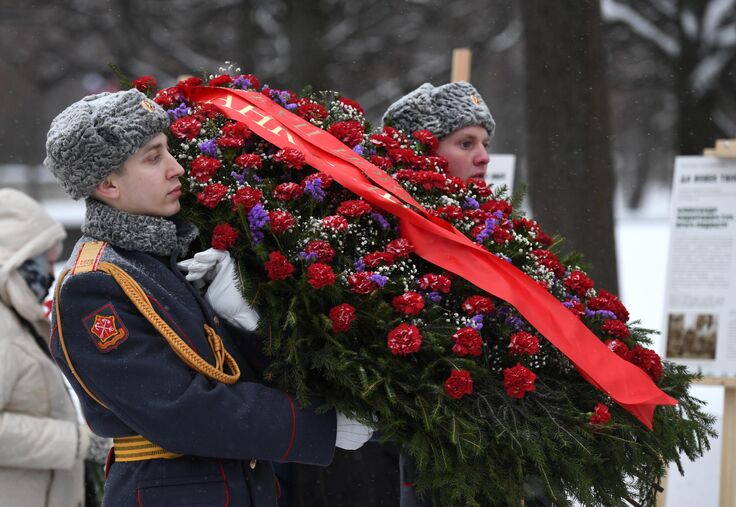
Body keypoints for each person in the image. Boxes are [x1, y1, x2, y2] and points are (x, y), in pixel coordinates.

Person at [43, 88, 372, 506]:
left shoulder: (160, 260)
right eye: (153, 156)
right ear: (107, 183)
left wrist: (242, 319)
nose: (176, 168)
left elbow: (227, 373)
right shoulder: (92, 285)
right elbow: (179, 410)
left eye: (169, 151)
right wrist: (314, 427)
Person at [383, 81, 552, 507]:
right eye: (465, 142)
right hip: (441, 460)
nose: (483, 156)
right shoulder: (392, 238)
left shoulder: (493, 229)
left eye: (485, 142)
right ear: (423, 149)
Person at [0, 188, 107, 507]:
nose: (49, 275)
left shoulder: (7, 312)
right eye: (45, 261)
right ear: (17, 257)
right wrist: (77, 442)